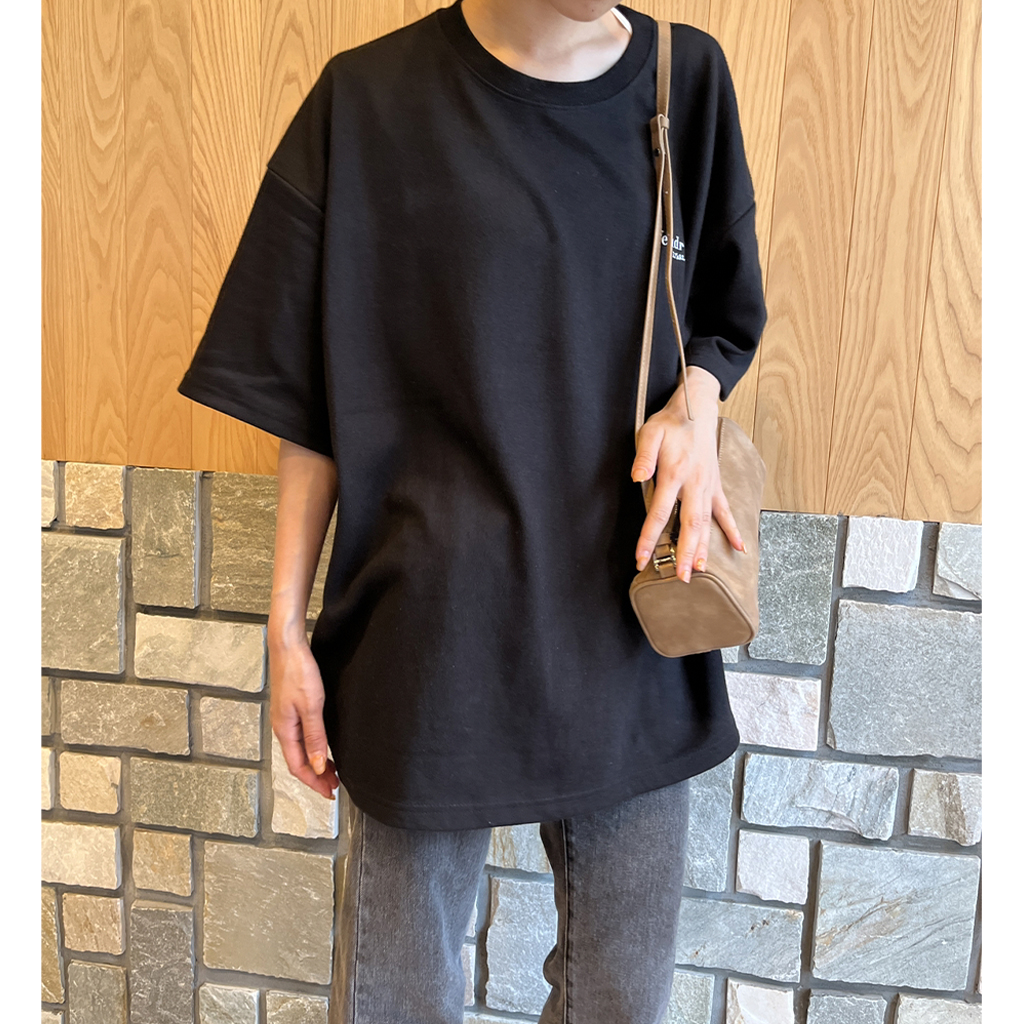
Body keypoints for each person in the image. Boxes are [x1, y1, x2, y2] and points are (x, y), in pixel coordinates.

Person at [177, 1, 767, 1021]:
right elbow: (305, 397)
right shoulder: (366, 103)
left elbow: (721, 312)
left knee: (620, 998)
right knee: (397, 996)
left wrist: (696, 404)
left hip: (629, 620)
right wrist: (286, 629)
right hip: (426, 634)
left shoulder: (686, 80)